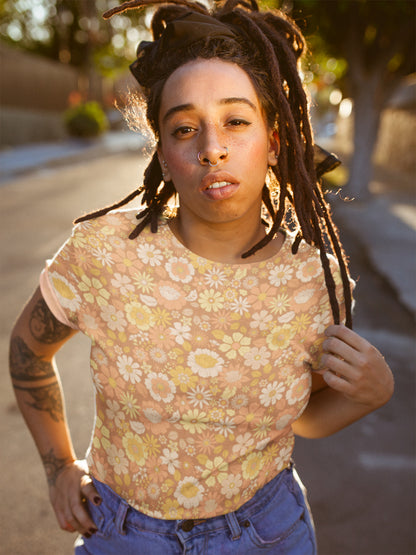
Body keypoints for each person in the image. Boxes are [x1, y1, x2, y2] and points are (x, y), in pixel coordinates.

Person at [9, 1, 394, 553]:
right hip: (121, 535)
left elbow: (299, 420)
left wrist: (369, 395)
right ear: (164, 155)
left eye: (236, 122)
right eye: (185, 128)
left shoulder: (314, 282)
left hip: (266, 534)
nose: (212, 149)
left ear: (274, 141)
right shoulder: (106, 252)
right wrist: (58, 468)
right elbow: (28, 351)